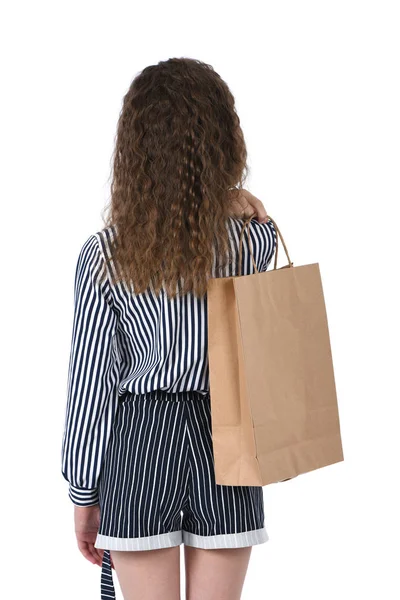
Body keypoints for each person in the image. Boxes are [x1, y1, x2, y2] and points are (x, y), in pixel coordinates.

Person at [61, 57, 277, 600]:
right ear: (223, 141)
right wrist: (241, 203)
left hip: (139, 440)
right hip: (226, 439)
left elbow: (91, 385)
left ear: (135, 151)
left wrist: (84, 493)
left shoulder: (107, 255)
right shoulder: (253, 241)